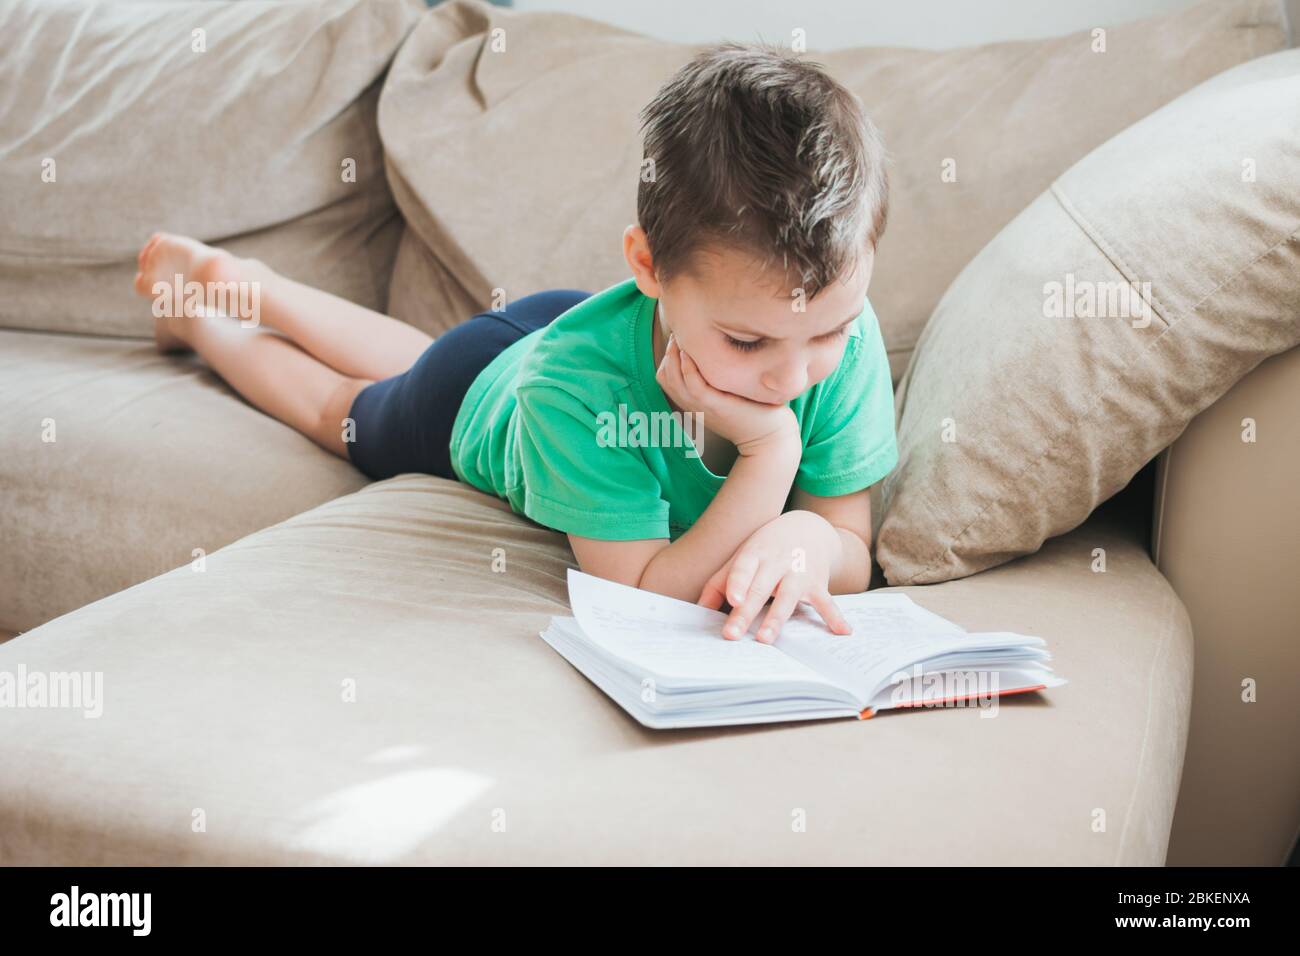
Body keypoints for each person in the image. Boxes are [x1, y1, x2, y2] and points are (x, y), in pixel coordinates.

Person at [133, 41, 896, 645]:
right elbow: (641, 592)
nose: (792, 377)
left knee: (415, 353)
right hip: (471, 394)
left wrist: (808, 539)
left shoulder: (840, 341)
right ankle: (207, 314)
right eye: (748, 341)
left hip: (565, 330)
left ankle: (252, 282)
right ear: (647, 267)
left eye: (827, 329)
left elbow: (847, 545)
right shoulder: (575, 387)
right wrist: (772, 456)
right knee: (346, 406)